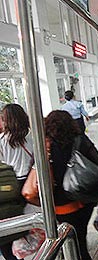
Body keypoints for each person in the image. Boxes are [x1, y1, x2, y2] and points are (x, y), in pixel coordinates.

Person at [44, 110, 98, 260]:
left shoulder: (47, 146)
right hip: (85, 199)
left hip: (62, 204)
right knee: (81, 237)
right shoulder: (81, 139)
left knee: (67, 240)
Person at [0, 104, 33, 260]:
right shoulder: (32, 136)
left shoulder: (1, 140)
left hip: (10, 184)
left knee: (10, 221)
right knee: (33, 222)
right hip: (31, 182)